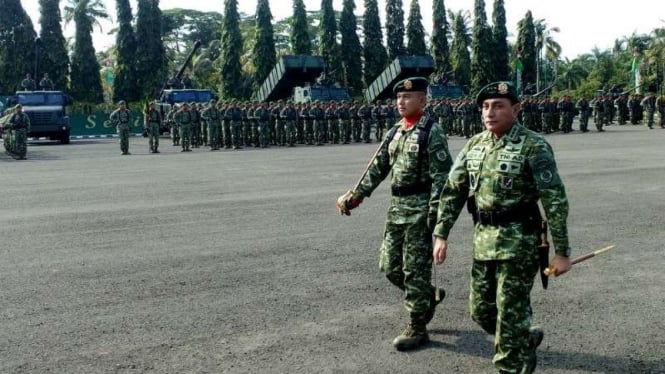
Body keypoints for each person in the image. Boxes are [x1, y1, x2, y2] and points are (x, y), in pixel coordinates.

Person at [432, 81, 572, 374]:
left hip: (519, 244)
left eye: (498, 106)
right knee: (481, 311)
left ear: (516, 109)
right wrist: (441, 233)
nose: (489, 112)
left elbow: (555, 199)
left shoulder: (533, 145)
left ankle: (513, 359)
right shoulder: (475, 144)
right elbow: (453, 191)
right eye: (485, 106)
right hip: (483, 243)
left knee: (508, 317)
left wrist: (562, 252)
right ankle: (523, 336)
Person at [336, 77, 453, 351]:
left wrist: (435, 217)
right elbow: (377, 168)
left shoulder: (431, 132)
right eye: (398, 97)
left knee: (414, 271)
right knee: (389, 267)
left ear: (423, 100)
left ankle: (418, 325)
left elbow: (443, 179)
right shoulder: (395, 132)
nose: (401, 102)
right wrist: (355, 196)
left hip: (420, 211)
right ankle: (426, 296)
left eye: (408, 97)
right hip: (397, 209)